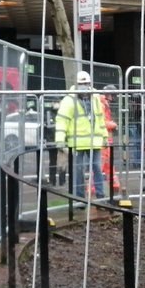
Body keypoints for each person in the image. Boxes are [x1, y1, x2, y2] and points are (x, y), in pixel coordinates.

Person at [54, 71, 108, 201]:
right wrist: (60, 140)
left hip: (94, 142)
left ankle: (101, 196)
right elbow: (62, 121)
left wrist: (104, 137)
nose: (84, 86)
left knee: (97, 169)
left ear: (89, 84)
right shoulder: (69, 100)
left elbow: (100, 119)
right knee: (78, 171)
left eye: (86, 83)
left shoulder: (95, 98)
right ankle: (79, 198)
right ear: (77, 84)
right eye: (81, 84)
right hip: (77, 143)